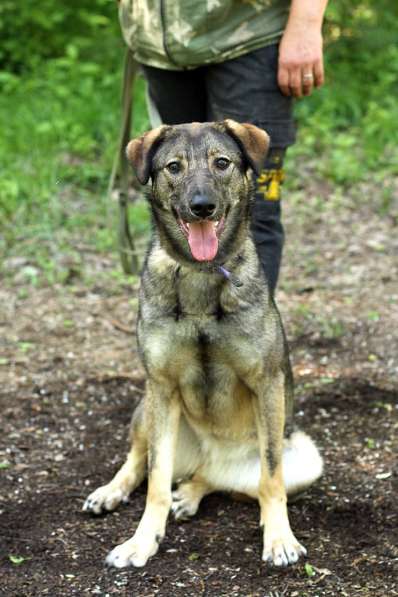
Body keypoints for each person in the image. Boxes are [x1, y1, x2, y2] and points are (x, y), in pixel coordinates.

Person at [118, 0, 328, 293]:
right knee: (184, 202)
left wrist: (305, 25)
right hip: (161, 49)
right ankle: (196, 326)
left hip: (250, 38)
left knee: (253, 211)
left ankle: (247, 333)